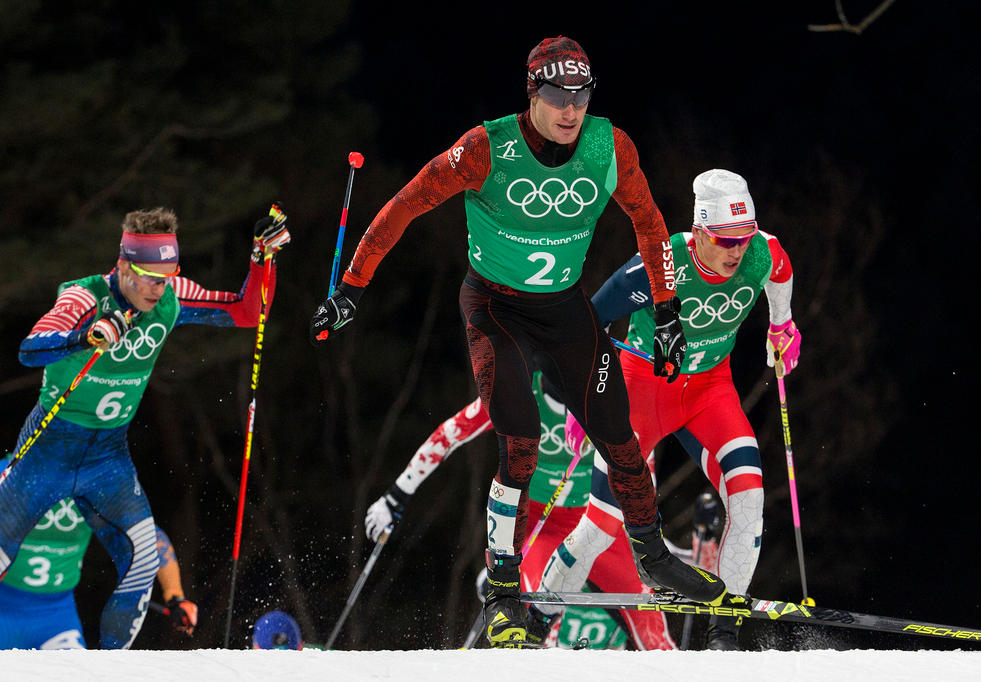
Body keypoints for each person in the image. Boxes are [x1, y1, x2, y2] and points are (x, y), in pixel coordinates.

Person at [311, 35, 734, 647]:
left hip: (563, 308)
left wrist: (666, 315)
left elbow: (647, 222)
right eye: (559, 96)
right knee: (520, 437)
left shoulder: (608, 146)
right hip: (495, 308)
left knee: (619, 432)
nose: (571, 110)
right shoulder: (485, 149)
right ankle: (505, 587)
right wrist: (351, 288)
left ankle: (655, 558)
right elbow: (404, 207)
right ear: (532, 93)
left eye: (581, 96)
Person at [0, 205, 290, 649]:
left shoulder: (172, 294)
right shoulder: (83, 297)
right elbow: (30, 349)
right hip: (49, 448)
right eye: (150, 277)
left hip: (107, 457)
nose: (160, 288)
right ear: (123, 267)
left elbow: (250, 312)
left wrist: (260, 259)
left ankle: (111, 671)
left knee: (142, 559)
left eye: (167, 275)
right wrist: (86, 335)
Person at [536, 169, 801, 650]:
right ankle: (534, 624)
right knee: (600, 526)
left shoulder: (762, 251)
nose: (737, 252)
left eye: (744, 238)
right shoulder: (660, 264)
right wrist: (583, 402)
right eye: (725, 240)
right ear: (699, 232)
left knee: (749, 502)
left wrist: (781, 326)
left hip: (710, 393)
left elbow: (780, 273)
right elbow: (589, 321)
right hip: (642, 394)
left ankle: (724, 635)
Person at [364, 371, 707, 649]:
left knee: (650, 621)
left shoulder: (607, 394)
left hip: (595, 523)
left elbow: (640, 462)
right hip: (538, 526)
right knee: (534, 614)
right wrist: (396, 495)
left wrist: (647, 536)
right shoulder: (516, 392)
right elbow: (451, 433)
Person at [0, 487, 198, 649]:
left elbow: (148, 536)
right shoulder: (10, 475)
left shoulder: (91, 486)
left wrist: (175, 596)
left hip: (56, 617)